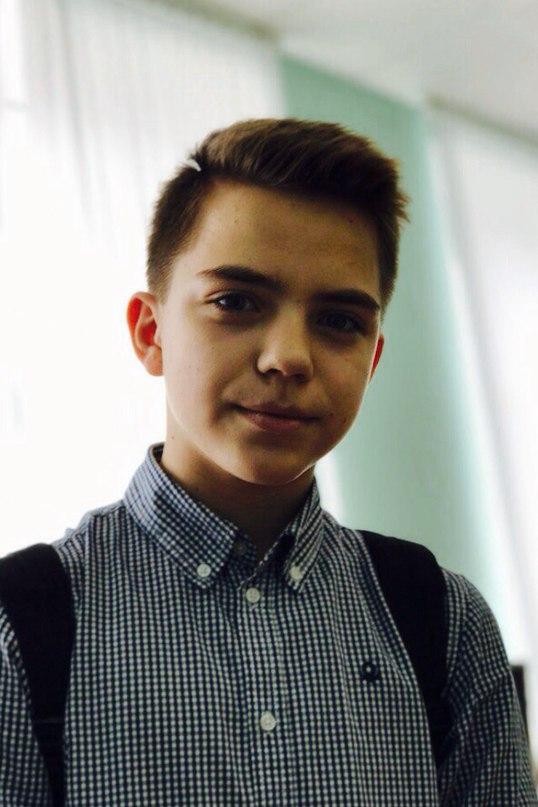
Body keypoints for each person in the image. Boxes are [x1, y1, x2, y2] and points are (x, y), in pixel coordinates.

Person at [1, 117, 536, 805]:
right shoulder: (24, 627)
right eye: (235, 302)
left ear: (372, 359)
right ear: (150, 331)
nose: (288, 357)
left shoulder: (445, 623)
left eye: (340, 321)